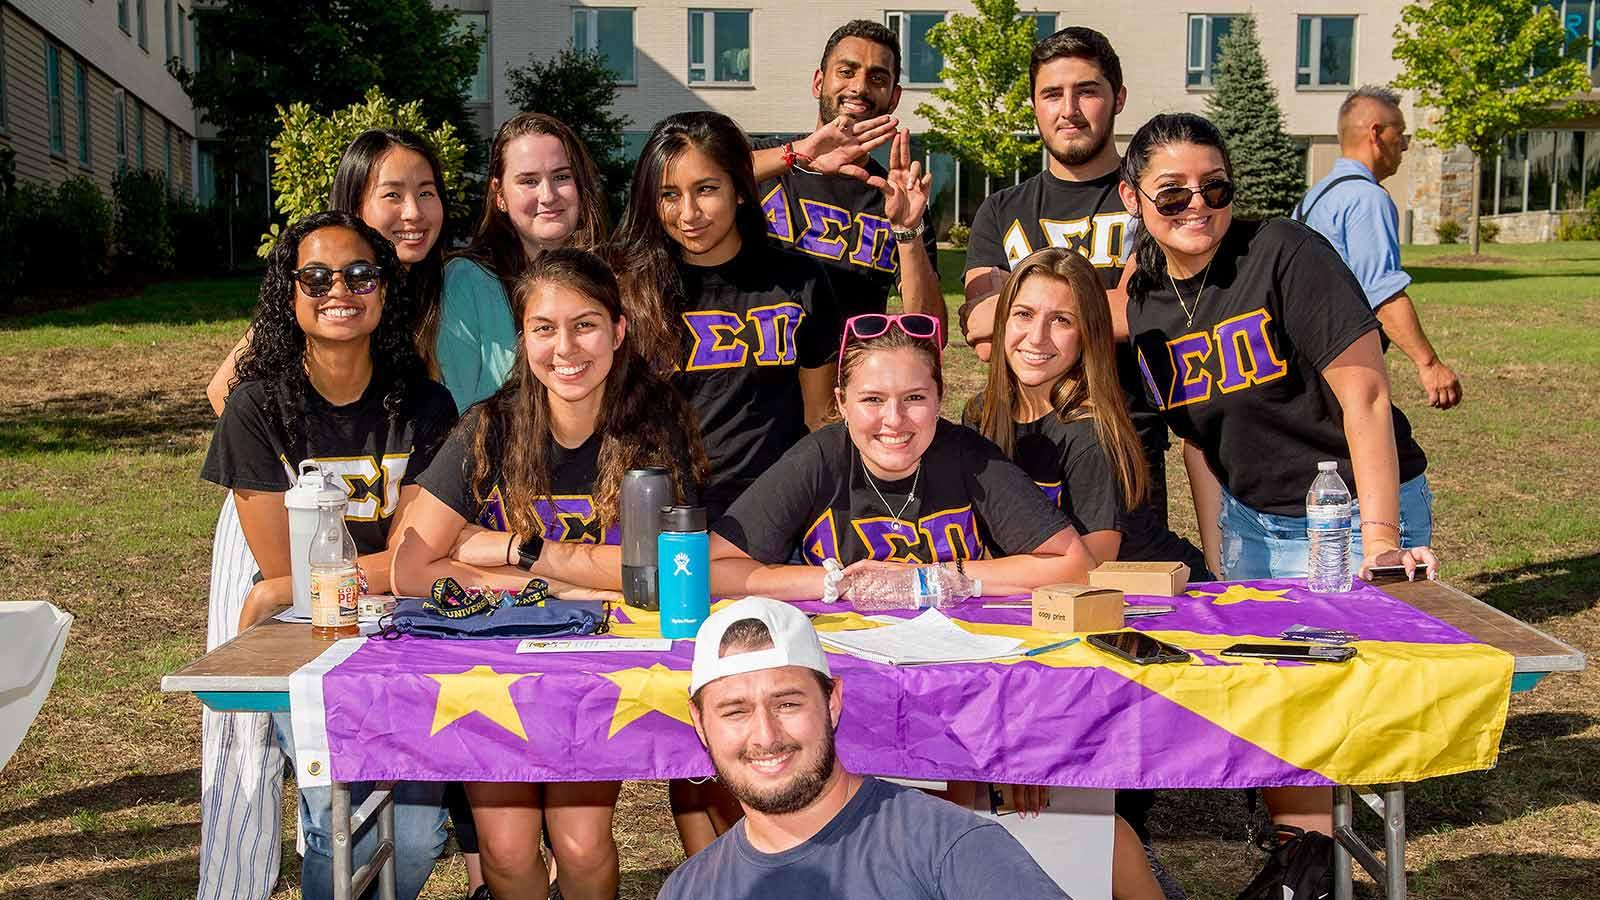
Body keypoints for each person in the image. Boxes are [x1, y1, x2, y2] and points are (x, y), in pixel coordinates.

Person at [1117, 111, 1440, 856]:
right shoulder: (1145, 301)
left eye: (1215, 187)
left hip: (1348, 512)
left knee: (1333, 712)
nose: (1198, 205)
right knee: (1278, 706)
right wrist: (1219, 555)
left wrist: (1380, 542)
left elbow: (1366, 397)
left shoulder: (1285, 252)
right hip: (1253, 519)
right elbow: (1199, 440)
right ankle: (1305, 857)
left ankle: (1310, 859)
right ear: (1133, 198)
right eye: (1173, 193)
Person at [196, 128, 462, 900]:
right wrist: (299, 588)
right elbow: (287, 577)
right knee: (333, 826)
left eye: (358, 274)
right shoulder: (255, 409)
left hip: (404, 632)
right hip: (308, 641)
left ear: (385, 288)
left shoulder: (426, 404)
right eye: (315, 278)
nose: (338, 290)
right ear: (289, 295)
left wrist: (302, 586)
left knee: (418, 834)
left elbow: (413, 561)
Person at [390, 248, 704, 900]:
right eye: (544, 328)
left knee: (581, 844)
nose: (565, 348)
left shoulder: (654, 426)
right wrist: (555, 590)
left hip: (594, 667)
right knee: (506, 854)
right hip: (493, 662)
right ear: (523, 338)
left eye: (585, 325)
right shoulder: (488, 428)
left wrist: (518, 550)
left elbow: (656, 575)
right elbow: (412, 567)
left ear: (618, 331)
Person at [656, 597, 1071, 900]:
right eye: (735, 711)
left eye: (787, 704)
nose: (765, 736)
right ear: (700, 723)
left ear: (832, 702)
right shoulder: (690, 889)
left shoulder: (945, 848)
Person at [957, 26, 1175, 548]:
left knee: (1118, 590)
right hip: (1021, 442)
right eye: (1052, 94)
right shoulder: (1001, 209)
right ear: (1035, 105)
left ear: (1118, 98)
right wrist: (1105, 306)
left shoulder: (1150, 202)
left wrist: (1018, 306)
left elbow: (1142, 314)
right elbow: (981, 332)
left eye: (1087, 91)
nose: (1069, 109)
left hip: (1124, 442)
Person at [709, 313, 1098, 600]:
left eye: (914, 398)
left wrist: (926, 579)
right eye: (872, 399)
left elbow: (1075, 565)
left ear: (940, 398)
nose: (894, 420)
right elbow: (712, 569)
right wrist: (838, 583)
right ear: (842, 403)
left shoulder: (970, 457)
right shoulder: (817, 459)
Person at [611, 111, 842, 519]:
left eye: (706, 189)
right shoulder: (628, 290)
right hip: (664, 515)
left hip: (774, 515)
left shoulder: (799, 280)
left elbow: (819, 415)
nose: (688, 213)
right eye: (668, 195)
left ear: (740, 190)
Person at [971, 246, 1211, 577]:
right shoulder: (980, 416)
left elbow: (1087, 571)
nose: (1037, 337)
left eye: (1061, 320)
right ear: (1002, 321)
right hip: (1049, 597)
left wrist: (956, 575)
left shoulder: (1090, 434)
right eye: (1024, 314)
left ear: (1087, 334)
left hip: (1167, 597)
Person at [750, 19, 942, 326]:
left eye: (877, 78)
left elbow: (931, 329)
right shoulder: (764, 163)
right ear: (818, 83)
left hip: (850, 357)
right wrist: (797, 155)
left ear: (894, 98)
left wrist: (907, 233)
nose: (860, 87)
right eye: (846, 71)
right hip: (760, 357)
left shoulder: (897, 198)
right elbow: (688, 178)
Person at [1294, 85, 1462, 410]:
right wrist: (1429, 364)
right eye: (1400, 133)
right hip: (1337, 372)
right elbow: (1382, 294)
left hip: (1303, 368)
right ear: (1376, 134)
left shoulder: (1315, 197)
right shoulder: (1367, 199)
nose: (1405, 145)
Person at [439, 113, 609, 412]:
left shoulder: (616, 277)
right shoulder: (467, 282)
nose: (548, 195)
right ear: (500, 195)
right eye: (529, 181)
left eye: (561, 177)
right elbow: (456, 411)